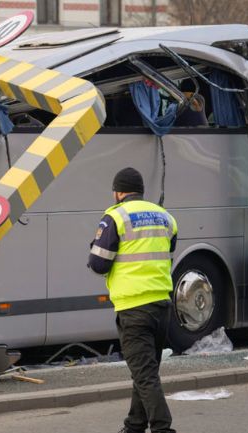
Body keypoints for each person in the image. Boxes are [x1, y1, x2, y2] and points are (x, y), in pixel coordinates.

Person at [87, 167, 178, 433]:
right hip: (162, 305)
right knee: (145, 371)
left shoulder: (115, 217)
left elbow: (99, 264)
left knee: (145, 374)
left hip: (133, 308)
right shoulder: (165, 217)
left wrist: (93, 251)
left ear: (118, 192)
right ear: (140, 191)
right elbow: (167, 250)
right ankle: (134, 426)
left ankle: (163, 428)